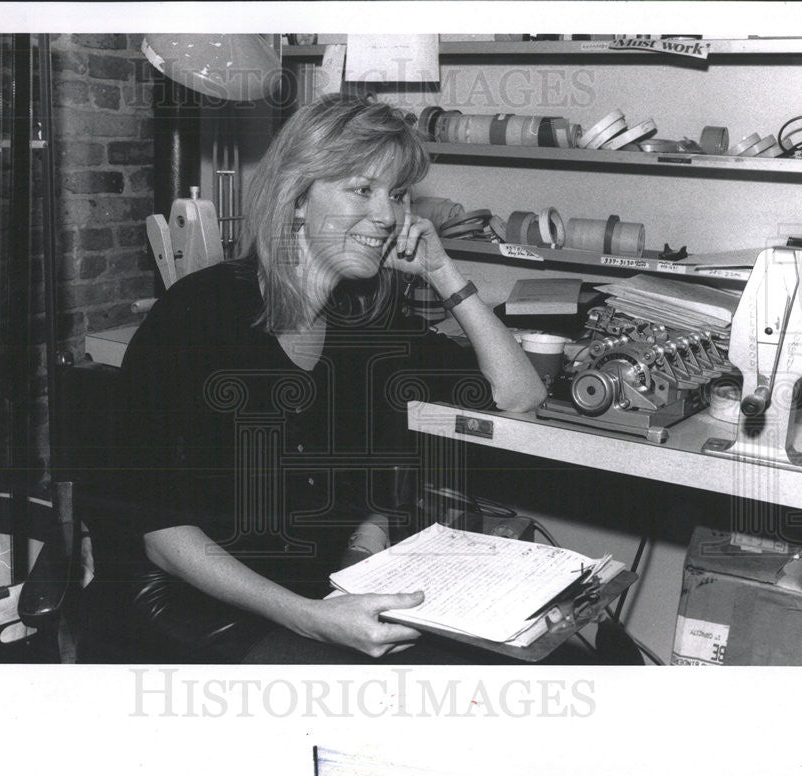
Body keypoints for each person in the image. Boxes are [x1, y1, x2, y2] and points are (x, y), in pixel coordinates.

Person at [86, 94, 546, 663]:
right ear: (297, 196)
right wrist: (312, 619)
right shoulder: (200, 312)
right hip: (191, 606)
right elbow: (162, 535)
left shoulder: (369, 320)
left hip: (320, 596)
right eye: (362, 189)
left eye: (398, 196)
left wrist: (443, 271)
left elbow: (520, 398)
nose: (388, 216)